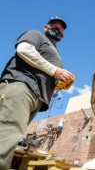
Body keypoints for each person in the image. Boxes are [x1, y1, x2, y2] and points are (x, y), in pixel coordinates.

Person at [0, 17, 74, 169]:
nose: (58, 30)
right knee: (7, 133)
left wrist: (59, 82)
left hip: (37, 98)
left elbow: (46, 72)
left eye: (61, 29)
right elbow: (24, 50)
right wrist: (55, 70)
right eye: (55, 26)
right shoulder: (37, 35)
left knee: (12, 137)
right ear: (46, 27)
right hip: (22, 86)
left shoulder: (55, 52)